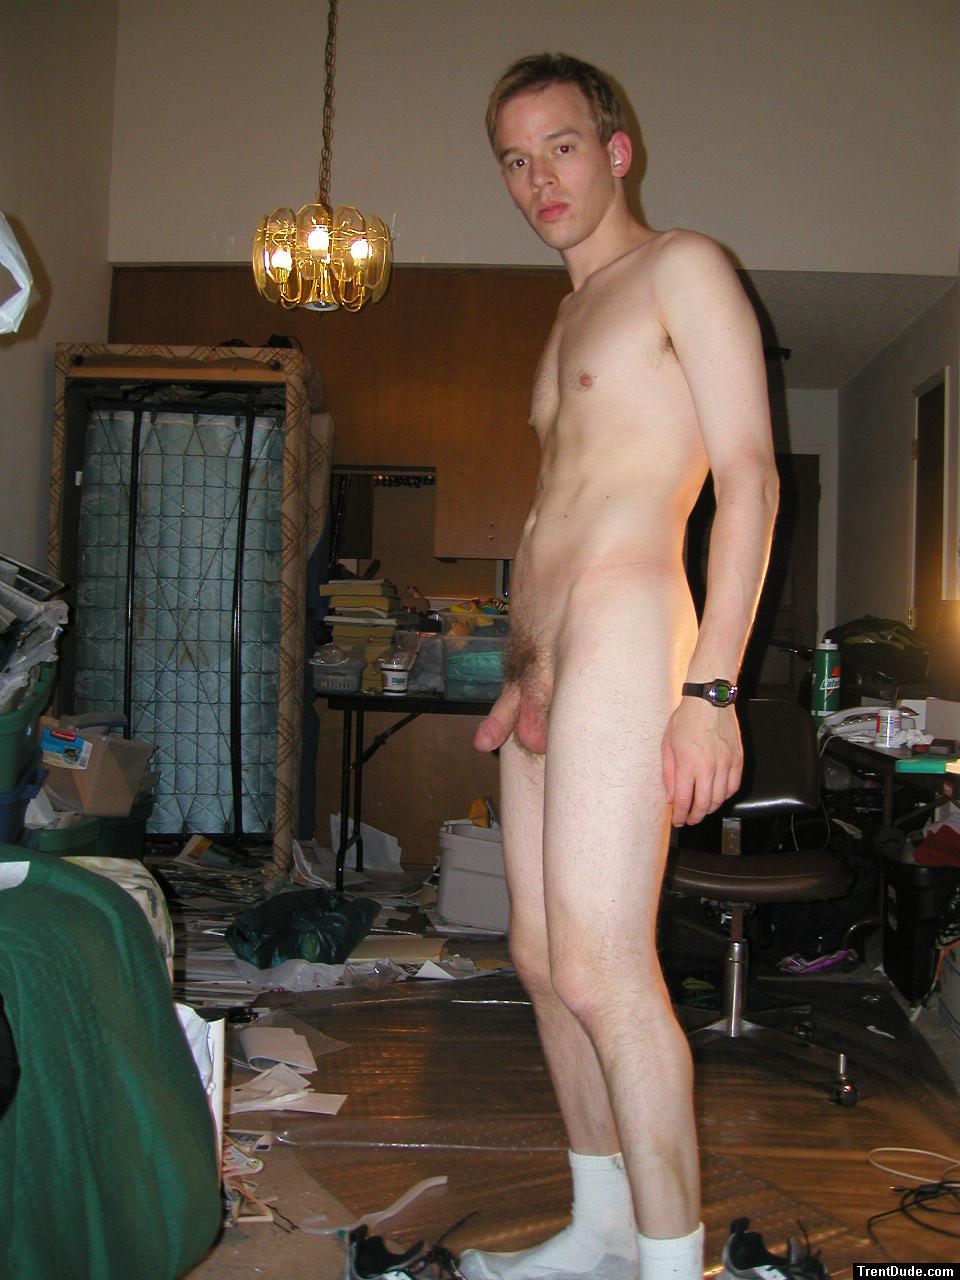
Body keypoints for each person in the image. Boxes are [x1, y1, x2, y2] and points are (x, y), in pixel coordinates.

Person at [459, 53, 780, 1280]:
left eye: (562, 147)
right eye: (515, 159)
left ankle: (670, 1262)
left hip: (637, 633)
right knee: (543, 961)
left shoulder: (682, 267)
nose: (539, 178)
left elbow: (750, 477)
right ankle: (601, 1229)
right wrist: (521, 666)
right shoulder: (563, 318)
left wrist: (713, 688)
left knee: (606, 966)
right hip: (546, 665)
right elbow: (562, 504)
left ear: (617, 149)